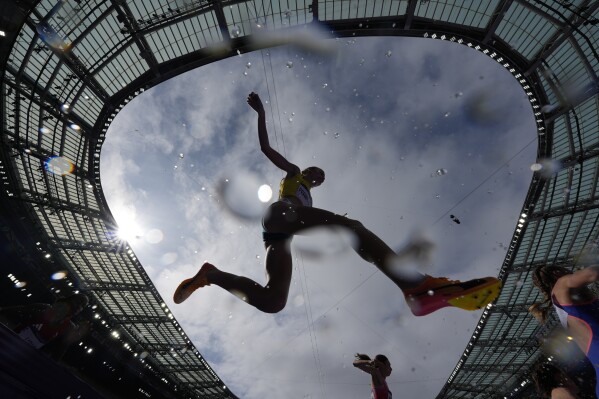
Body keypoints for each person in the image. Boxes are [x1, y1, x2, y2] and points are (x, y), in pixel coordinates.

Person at [173, 92, 502, 316]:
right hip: (280, 213)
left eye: (319, 178)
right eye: (315, 172)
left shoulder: (308, 196)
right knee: (353, 229)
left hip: (279, 235)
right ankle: (416, 286)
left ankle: (210, 275)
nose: (316, 177)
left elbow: (310, 219)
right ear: (308, 170)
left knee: (274, 301)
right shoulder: (293, 172)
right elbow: (265, 148)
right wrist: (262, 113)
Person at [530, 264, 599, 398]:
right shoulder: (561, 284)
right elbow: (592, 274)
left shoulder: (566, 302)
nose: (571, 271)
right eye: (565, 270)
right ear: (556, 273)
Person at [0, 294, 91, 361]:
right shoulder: (44, 308)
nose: (79, 307)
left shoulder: (69, 328)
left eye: (83, 306)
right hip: (7, 341)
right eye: (79, 302)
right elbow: (20, 309)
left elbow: (58, 354)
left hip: (24, 357)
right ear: (71, 299)